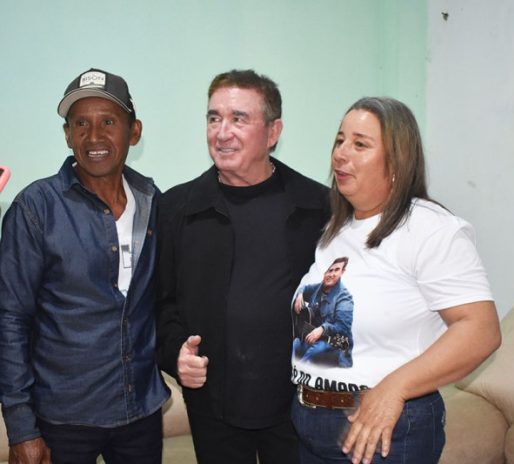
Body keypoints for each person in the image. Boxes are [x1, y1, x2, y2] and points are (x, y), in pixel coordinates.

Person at [290, 97, 502, 464]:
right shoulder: (336, 230)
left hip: (381, 430)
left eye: (360, 144)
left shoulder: (431, 229)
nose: (341, 153)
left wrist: (394, 388)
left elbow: (481, 331)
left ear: (396, 162)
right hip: (311, 424)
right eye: (339, 140)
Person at [156, 69, 330, 464]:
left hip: (298, 406)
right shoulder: (177, 208)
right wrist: (175, 354)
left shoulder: (319, 207)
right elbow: (160, 304)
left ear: (273, 132)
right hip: (213, 407)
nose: (222, 133)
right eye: (214, 118)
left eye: (238, 119)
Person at [0, 68, 169, 464]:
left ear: (134, 132)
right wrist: (21, 426)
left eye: (108, 122)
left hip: (140, 412)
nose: (94, 137)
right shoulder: (35, 208)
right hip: (62, 420)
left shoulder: (153, 201)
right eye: (80, 124)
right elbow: (10, 319)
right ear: (67, 134)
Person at [292, 257, 354, 367]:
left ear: (342, 272)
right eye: (329, 270)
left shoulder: (344, 298)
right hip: (314, 338)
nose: (332, 274)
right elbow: (305, 287)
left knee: (313, 352)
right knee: (296, 343)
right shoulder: (318, 288)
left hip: (333, 345)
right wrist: (300, 294)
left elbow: (343, 327)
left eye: (336, 270)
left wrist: (323, 329)